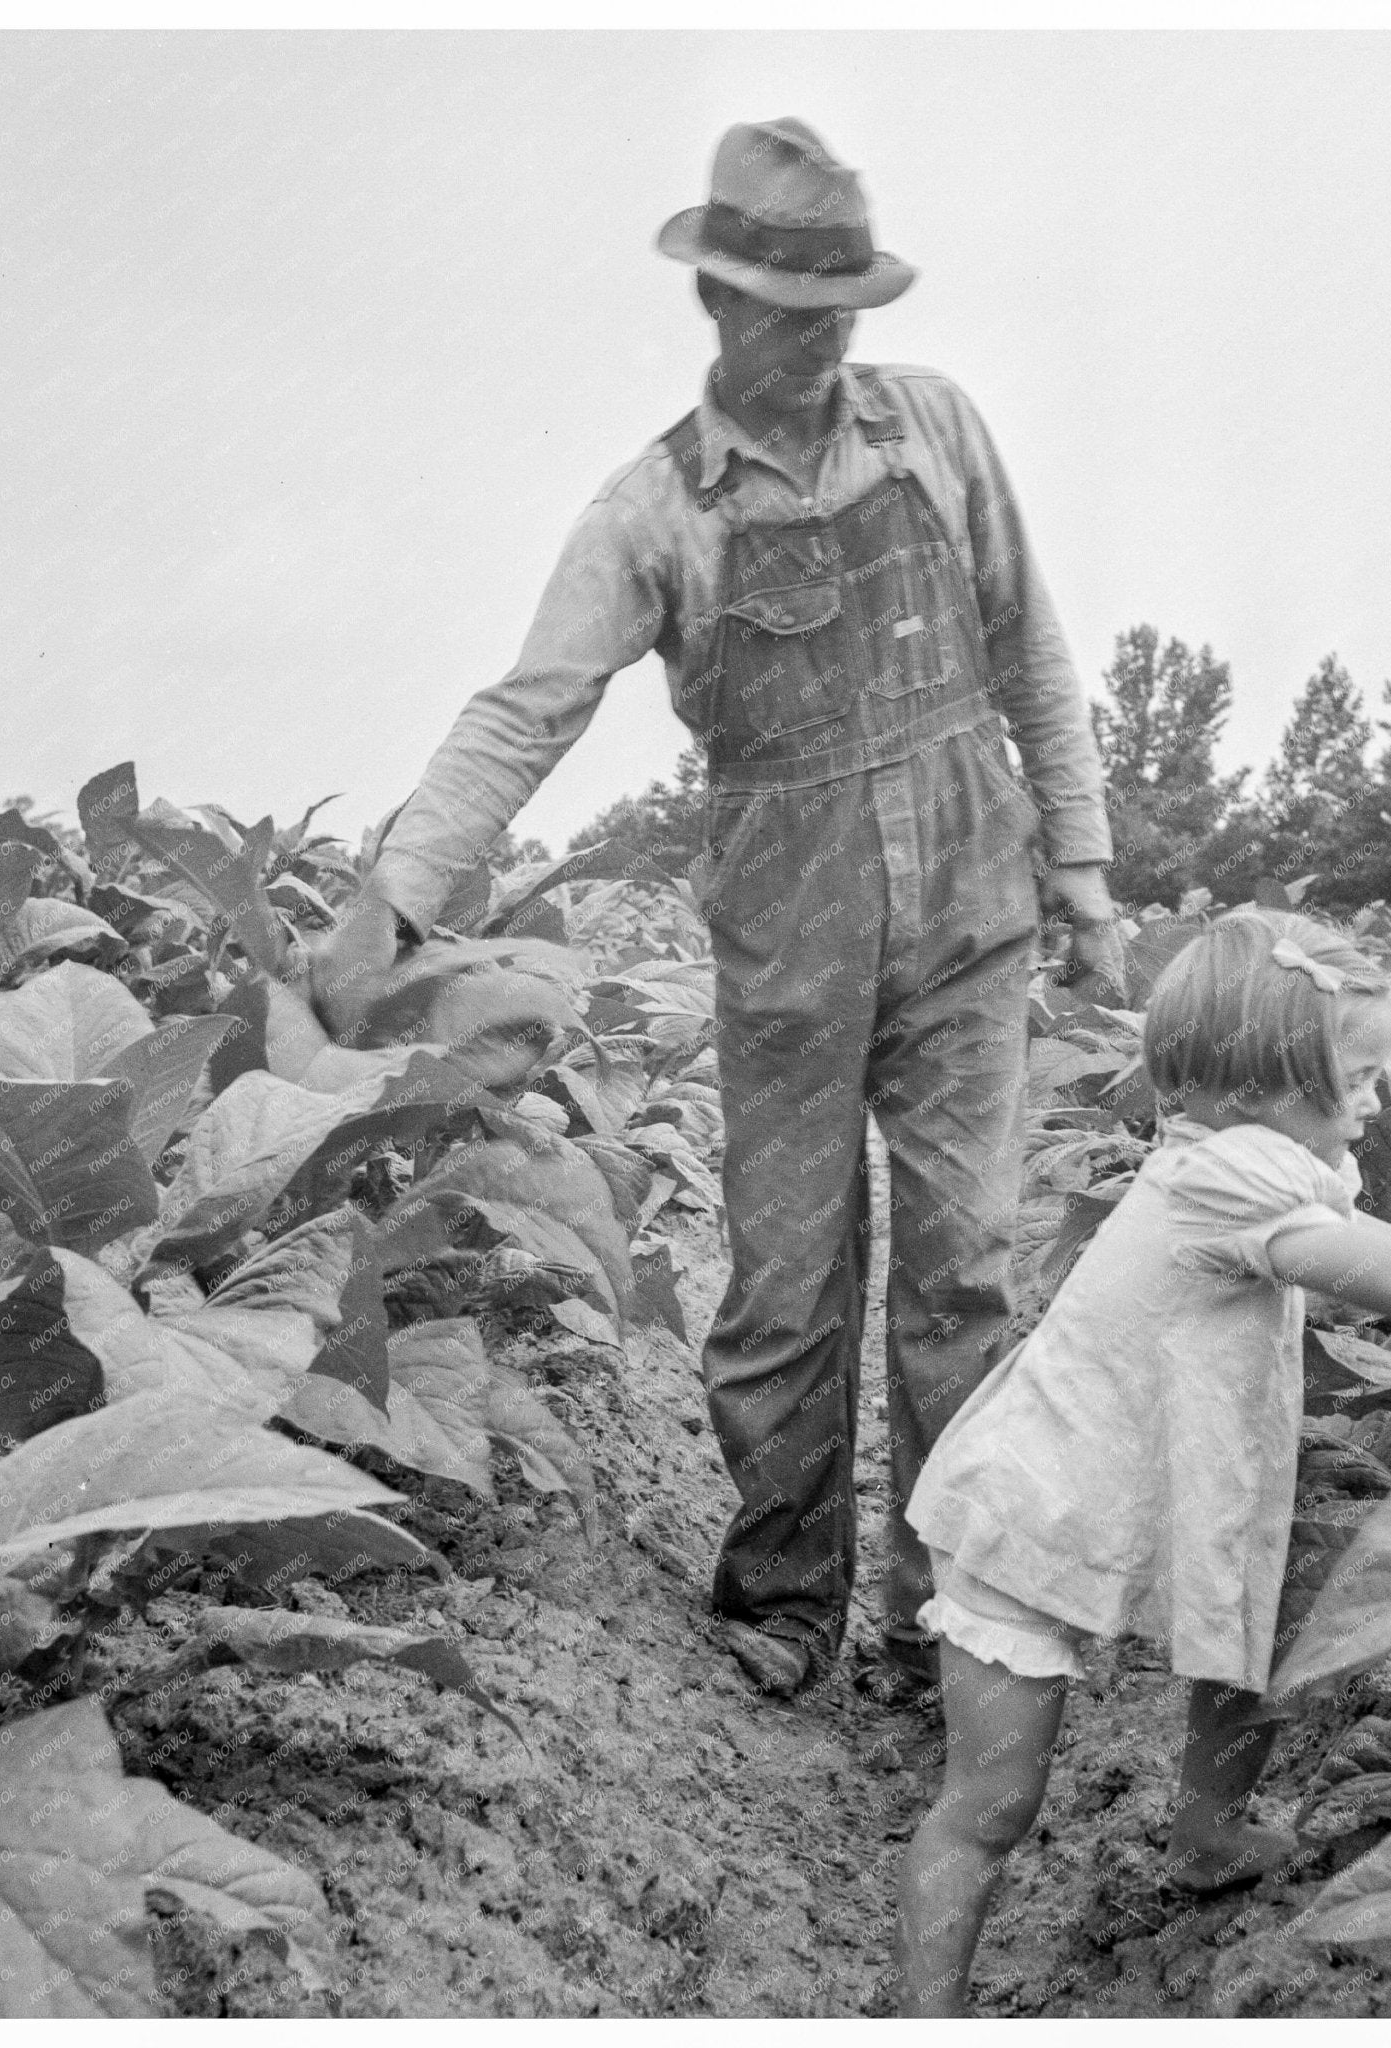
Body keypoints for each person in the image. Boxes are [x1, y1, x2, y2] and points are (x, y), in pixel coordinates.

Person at [299, 117, 1122, 1704]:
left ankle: (939, 1620)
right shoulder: (650, 512)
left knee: (963, 1274)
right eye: (793, 319)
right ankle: (785, 1594)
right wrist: (393, 895)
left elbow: (1031, 646)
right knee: (782, 1284)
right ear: (720, 309)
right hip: (791, 946)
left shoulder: (937, 433)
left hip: (970, 922)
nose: (823, 349)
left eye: (843, 317)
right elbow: (528, 708)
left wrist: (1079, 865)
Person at [892, 909, 1391, 2015]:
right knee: (990, 1801)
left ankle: (1208, 1831)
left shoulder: (1268, 1154)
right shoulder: (1223, 1179)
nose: (1380, 1099)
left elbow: (1385, 1239)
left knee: (1249, 1632)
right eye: (1355, 1076)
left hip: (1164, 1490)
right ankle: (924, 2013)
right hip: (1032, 1514)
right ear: (1256, 1092)